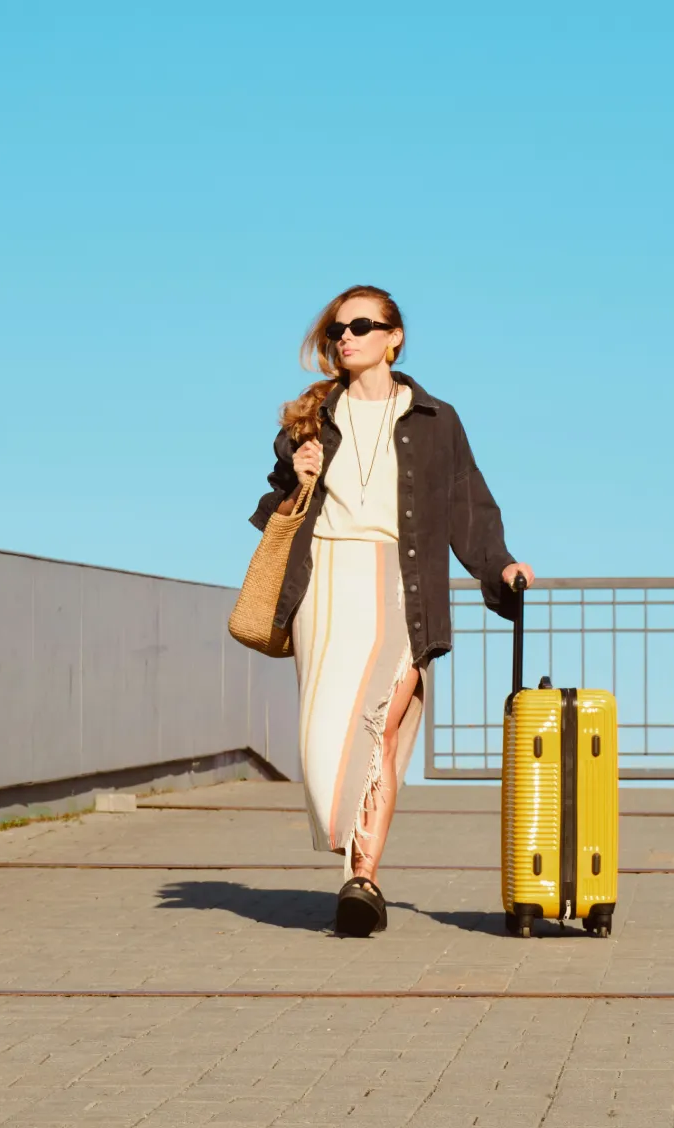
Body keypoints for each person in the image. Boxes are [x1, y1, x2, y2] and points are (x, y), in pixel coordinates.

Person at [249, 284, 534, 937]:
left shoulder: (436, 419)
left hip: (403, 586)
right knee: (325, 741)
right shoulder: (310, 420)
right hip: (325, 585)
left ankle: (364, 878)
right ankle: (352, 859)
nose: (346, 339)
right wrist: (299, 474)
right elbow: (273, 512)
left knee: (379, 727)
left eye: (359, 327)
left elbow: (467, 505)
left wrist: (499, 565)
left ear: (393, 337)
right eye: (336, 331)